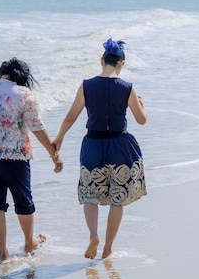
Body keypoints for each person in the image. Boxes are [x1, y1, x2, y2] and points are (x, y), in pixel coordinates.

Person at [54, 39, 147, 259]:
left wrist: (58, 139)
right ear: (120, 64)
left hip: (93, 144)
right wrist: (143, 104)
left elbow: (70, 117)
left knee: (89, 195)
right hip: (120, 145)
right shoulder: (127, 88)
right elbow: (141, 120)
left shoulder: (86, 85)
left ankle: (93, 235)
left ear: (102, 61)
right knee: (118, 198)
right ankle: (107, 248)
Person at [0, 57, 63, 262]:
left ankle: (3, 253)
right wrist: (54, 154)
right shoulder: (23, 94)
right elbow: (36, 126)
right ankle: (29, 243)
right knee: (23, 202)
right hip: (14, 155)